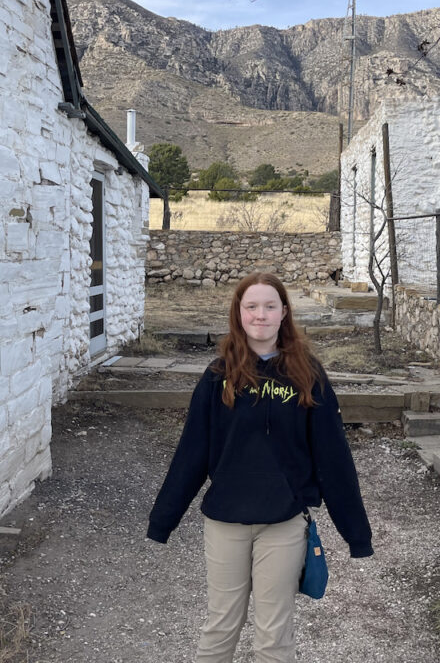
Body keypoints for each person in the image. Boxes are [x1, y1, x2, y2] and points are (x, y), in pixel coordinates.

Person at [147, 272, 373, 663]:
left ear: (284, 313)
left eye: (270, 306)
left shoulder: (309, 376)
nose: (261, 315)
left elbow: (333, 459)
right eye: (251, 306)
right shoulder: (218, 377)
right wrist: (162, 520)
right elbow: (192, 453)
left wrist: (357, 535)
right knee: (220, 625)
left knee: (274, 634)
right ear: (239, 313)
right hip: (225, 522)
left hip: (283, 524)